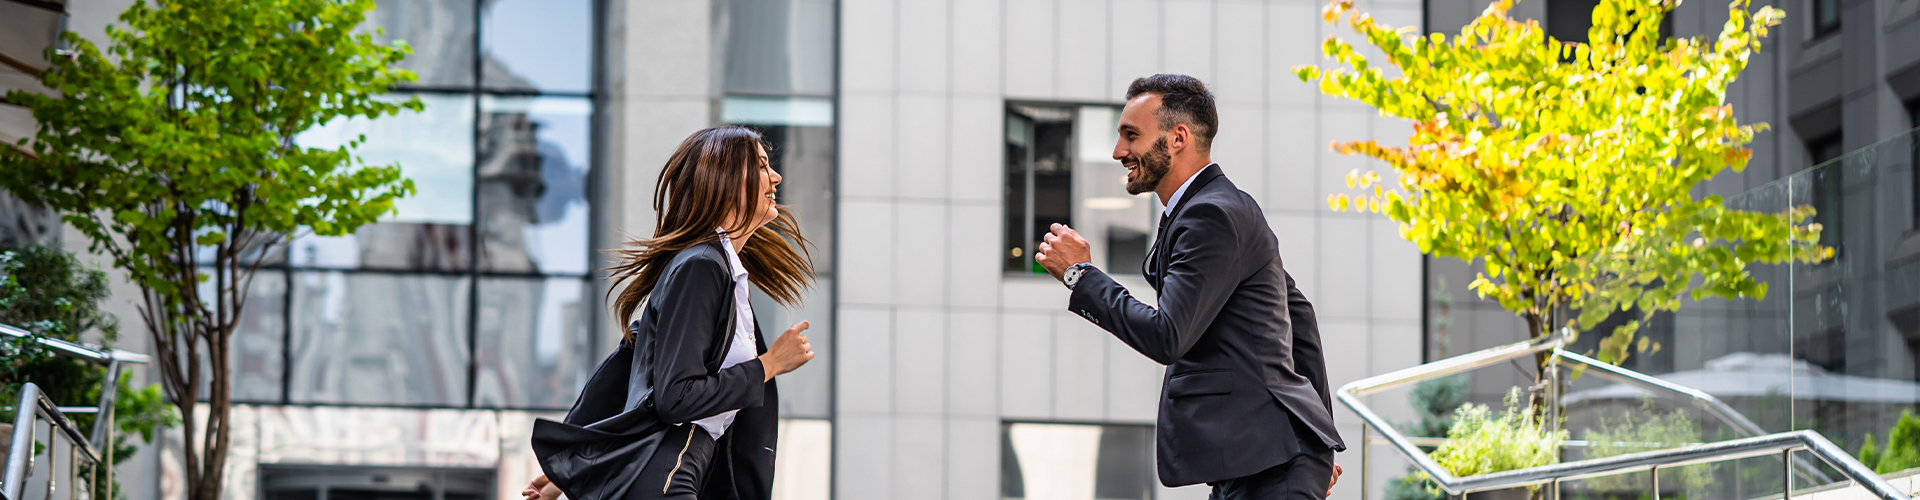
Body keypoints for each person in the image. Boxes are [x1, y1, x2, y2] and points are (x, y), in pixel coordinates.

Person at [1034, 74, 1346, 499]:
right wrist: (1318, 437)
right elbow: (1300, 317)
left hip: (1273, 463)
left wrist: (1081, 276)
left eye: (1131, 135)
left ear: (1177, 137)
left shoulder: (1211, 215)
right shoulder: (1213, 209)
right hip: (1258, 461)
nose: (1118, 151)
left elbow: (1168, 336)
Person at [523, 127, 818, 500]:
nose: (775, 176)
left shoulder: (719, 269)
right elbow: (674, 397)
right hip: (667, 473)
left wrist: (575, 469)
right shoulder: (701, 266)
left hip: (676, 471)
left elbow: (635, 370)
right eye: (760, 166)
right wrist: (768, 364)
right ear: (725, 178)